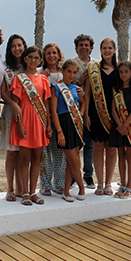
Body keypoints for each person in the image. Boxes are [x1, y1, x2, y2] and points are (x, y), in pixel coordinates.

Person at [9, 46, 52, 206]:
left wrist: (48, 124)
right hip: (25, 120)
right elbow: (16, 103)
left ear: (40, 61)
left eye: (36, 58)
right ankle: (25, 192)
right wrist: (19, 124)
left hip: (39, 122)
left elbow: (46, 104)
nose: (33, 60)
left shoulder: (43, 79)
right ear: (25, 59)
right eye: (30, 57)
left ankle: (34, 191)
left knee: (36, 159)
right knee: (24, 160)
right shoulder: (19, 79)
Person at [84, 38, 119, 196]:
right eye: (104, 48)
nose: (107, 51)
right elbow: (88, 93)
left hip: (115, 115)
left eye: (110, 48)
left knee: (111, 149)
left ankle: (108, 183)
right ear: (100, 50)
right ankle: (99, 184)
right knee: (98, 148)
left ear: (114, 49)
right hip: (96, 113)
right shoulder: (93, 69)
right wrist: (86, 114)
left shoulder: (120, 69)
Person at [49, 59, 86, 202]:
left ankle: (66, 191)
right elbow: (53, 111)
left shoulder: (75, 88)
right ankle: (81, 187)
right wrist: (59, 132)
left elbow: (83, 102)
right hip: (63, 125)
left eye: (74, 72)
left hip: (75, 125)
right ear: (63, 71)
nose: (71, 75)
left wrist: (81, 115)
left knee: (72, 162)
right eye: (69, 71)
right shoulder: (56, 87)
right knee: (74, 162)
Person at [0, 34, 27, 201]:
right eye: (13, 46)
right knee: (11, 153)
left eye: (20, 45)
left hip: (28, 114)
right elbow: (3, 92)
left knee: (22, 153)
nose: (17, 48)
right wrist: (14, 104)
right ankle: (10, 189)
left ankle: (21, 188)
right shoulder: (5, 68)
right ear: (9, 49)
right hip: (10, 112)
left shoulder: (30, 66)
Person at [109, 61, 131, 199]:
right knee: (121, 155)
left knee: (130, 156)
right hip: (119, 126)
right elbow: (113, 110)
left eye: (126, 72)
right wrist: (120, 126)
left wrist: (125, 125)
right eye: (121, 72)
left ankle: (129, 186)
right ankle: (122, 185)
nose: (123, 75)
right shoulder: (116, 89)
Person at [39, 43, 66, 196]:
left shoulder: (64, 73)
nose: (51, 56)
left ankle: (59, 183)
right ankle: (45, 184)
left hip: (60, 118)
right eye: (48, 53)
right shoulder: (39, 72)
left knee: (59, 152)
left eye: (54, 52)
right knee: (44, 153)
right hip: (43, 117)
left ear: (59, 54)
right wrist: (42, 76)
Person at [72, 34, 98, 189]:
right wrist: (80, 81)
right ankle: (74, 176)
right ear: (76, 47)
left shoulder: (96, 64)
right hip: (74, 109)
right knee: (75, 145)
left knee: (89, 145)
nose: (84, 47)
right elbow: (66, 84)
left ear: (91, 48)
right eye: (81, 45)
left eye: (86, 45)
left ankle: (88, 175)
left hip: (93, 110)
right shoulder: (70, 63)